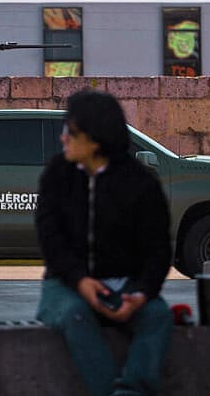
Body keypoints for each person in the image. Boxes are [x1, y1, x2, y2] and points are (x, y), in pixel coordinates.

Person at [35, 89, 173, 396]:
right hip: (66, 286)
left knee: (158, 317)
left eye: (71, 132)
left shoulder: (141, 183)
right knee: (75, 315)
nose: (63, 139)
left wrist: (141, 292)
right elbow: (50, 238)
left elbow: (158, 249)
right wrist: (80, 281)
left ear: (95, 140)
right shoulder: (57, 174)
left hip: (125, 286)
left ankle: (131, 390)